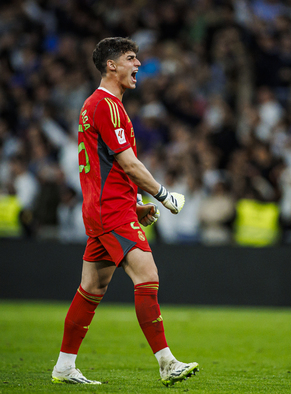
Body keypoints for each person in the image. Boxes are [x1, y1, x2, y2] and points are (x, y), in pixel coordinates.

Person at [51, 37, 198, 386]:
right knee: (147, 276)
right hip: (110, 211)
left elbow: (103, 167)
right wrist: (163, 195)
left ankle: (64, 366)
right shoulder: (107, 105)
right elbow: (128, 164)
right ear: (110, 65)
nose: (138, 65)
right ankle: (166, 362)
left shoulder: (93, 106)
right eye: (131, 59)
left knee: (91, 288)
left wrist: (133, 203)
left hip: (106, 207)